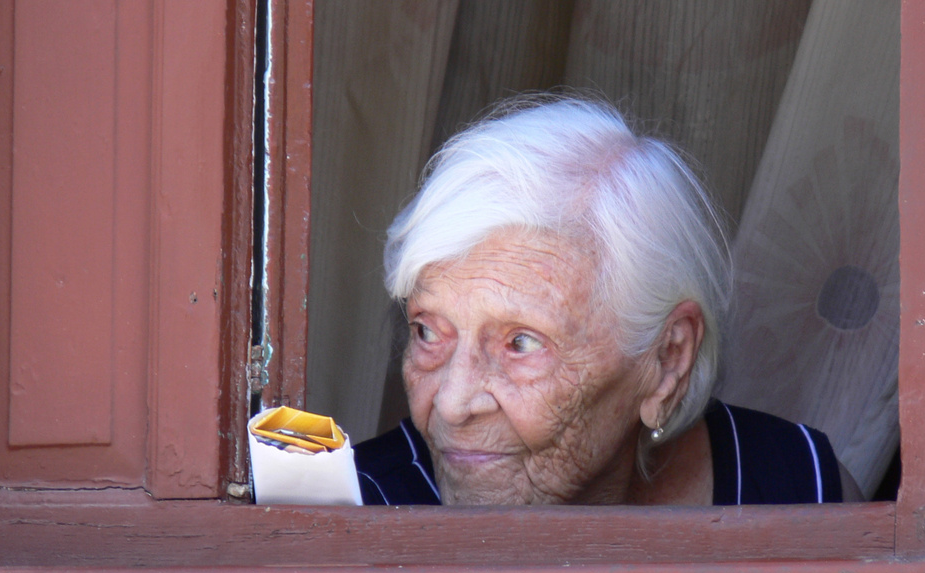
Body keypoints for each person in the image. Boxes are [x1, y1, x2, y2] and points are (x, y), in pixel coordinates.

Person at [353, 95, 861, 506]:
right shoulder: (350, 522)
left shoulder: (798, 496)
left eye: (521, 343)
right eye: (427, 331)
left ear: (667, 360)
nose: (452, 403)